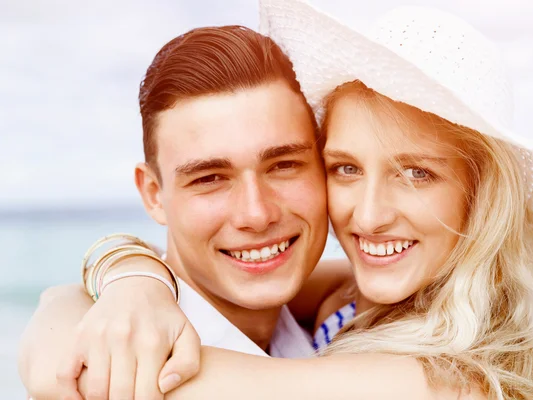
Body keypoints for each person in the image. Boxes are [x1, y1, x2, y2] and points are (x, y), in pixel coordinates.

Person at [21, 1, 533, 399]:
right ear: (153, 193)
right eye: (346, 167)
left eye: (417, 174)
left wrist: (110, 288)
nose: (369, 215)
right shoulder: (343, 302)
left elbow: (71, 367)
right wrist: (130, 275)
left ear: (481, 195)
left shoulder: (452, 381)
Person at [19, 24, 337, 399]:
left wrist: (126, 268)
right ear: (154, 194)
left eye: (284, 165)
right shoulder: (107, 375)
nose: (256, 213)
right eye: (210, 178)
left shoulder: (330, 330)